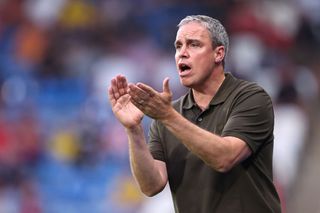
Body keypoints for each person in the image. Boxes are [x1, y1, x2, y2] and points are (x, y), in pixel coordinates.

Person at [108, 15, 281, 213]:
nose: (182, 53)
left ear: (219, 54)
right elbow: (151, 186)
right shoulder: (167, 115)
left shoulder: (250, 98)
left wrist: (167, 116)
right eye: (178, 46)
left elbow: (225, 158)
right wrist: (133, 129)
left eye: (194, 45)